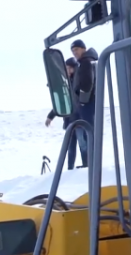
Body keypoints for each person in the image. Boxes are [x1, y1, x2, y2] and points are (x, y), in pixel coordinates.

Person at [46, 56, 81, 169]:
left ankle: (87, 166)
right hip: (69, 120)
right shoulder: (66, 84)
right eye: (66, 69)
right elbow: (62, 102)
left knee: (83, 145)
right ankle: (70, 168)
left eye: (69, 68)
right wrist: (50, 116)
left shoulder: (76, 83)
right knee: (71, 147)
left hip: (79, 120)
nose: (68, 71)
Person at [69, 40, 99, 168]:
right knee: (88, 134)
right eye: (73, 51)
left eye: (76, 49)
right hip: (89, 103)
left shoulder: (86, 62)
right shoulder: (87, 61)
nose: (75, 53)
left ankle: (91, 164)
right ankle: (91, 163)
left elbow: (87, 84)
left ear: (83, 49)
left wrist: (81, 98)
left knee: (88, 134)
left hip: (87, 103)